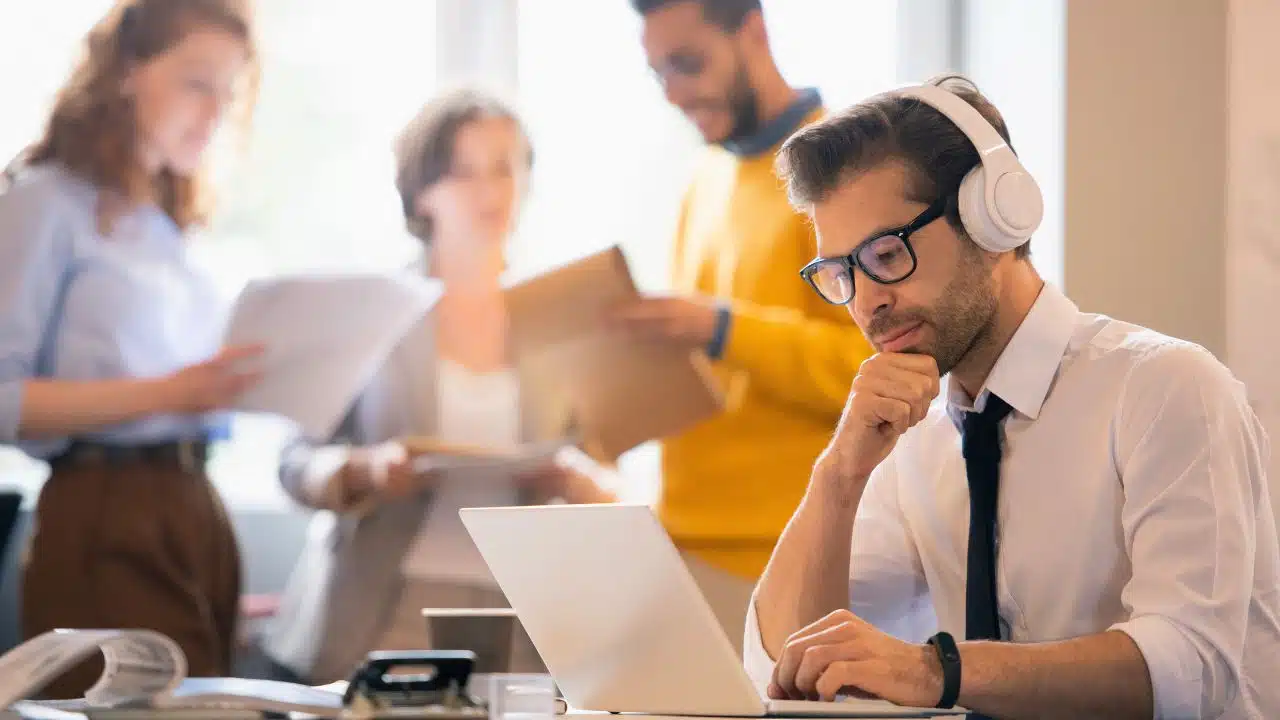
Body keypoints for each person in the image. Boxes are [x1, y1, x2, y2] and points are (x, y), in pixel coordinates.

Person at [749, 74, 1280, 719]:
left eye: (887, 255)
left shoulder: (1168, 389)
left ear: (993, 218)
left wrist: (935, 670)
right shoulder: (912, 441)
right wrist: (839, 473)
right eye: (842, 273)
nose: (866, 303)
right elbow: (785, 663)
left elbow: (1190, 667)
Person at [254, 89, 619, 685]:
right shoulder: (371, 313)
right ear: (421, 192)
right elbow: (294, 464)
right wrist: (365, 471)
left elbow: (606, 473)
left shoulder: (557, 319)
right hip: (385, 610)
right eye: (464, 171)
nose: (490, 191)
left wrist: (579, 481)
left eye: (505, 168)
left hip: (522, 618)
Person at [0, 0, 261, 698]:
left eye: (229, 92)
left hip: (194, 508)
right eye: (196, 82)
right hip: (105, 510)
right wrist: (170, 394)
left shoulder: (169, 227)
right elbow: (2, 399)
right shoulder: (43, 201)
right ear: (124, 73)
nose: (215, 112)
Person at [616, 0, 872, 653]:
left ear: (753, 31)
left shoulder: (841, 177)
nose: (674, 94)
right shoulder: (703, 180)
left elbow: (870, 373)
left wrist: (723, 328)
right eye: (658, 75)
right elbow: (714, 380)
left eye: (688, 64)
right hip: (677, 546)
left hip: (774, 562)